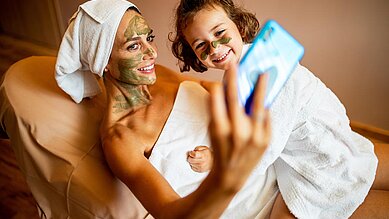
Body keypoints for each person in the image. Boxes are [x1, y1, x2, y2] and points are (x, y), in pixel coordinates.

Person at [55, 0, 273, 218]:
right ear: (103, 62)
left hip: (273, 174)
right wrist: (226, 178)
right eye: (133, 46)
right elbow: (171, 214)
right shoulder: (120, 138)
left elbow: (216, 92)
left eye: (149, 38)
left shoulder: (157, 74)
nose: (151, 52)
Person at [170, 0, 388, 218]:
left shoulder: (266, 69)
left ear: (238, 25)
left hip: (319, 152)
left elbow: (264, 147)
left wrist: (217, 162)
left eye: (219, 32)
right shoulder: (235, 73)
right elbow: (242, 115)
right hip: (296, 147)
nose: (215, 48)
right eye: (200, 45)